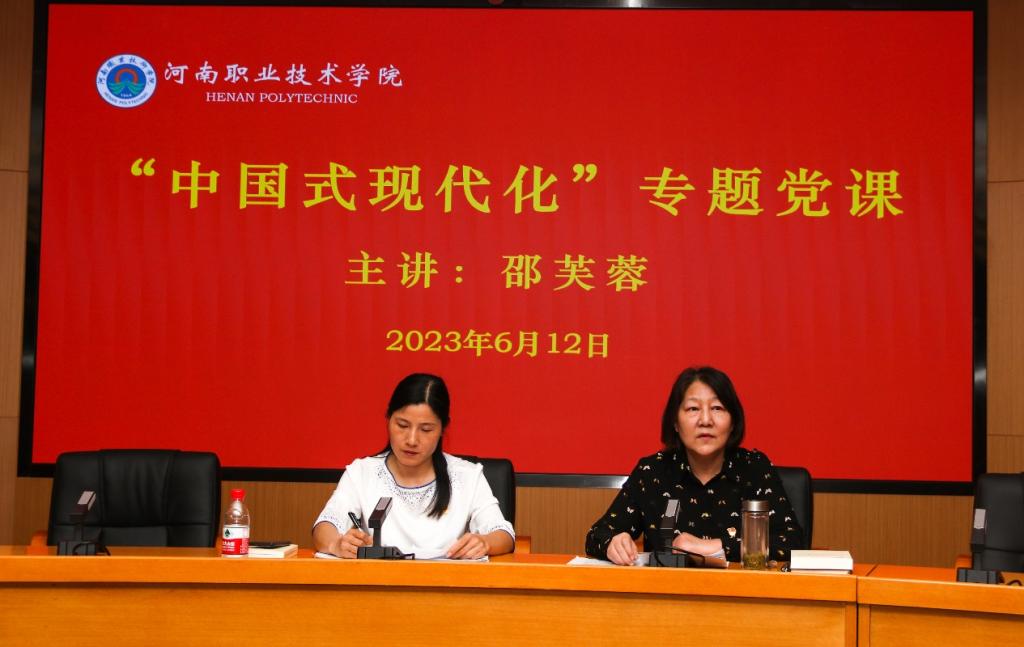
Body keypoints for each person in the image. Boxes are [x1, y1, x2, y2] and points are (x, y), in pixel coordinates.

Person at [585, 366, 804, 565]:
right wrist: (613, 543)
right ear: (675, 422)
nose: (705, 420)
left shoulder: (754, 468)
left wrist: (714, 547)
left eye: (717, 408)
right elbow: (597, 535)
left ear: (733, 422)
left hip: (741, 593)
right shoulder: (653, 471)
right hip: (669, 594)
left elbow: (793, 542)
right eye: (692, 409)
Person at [313, 373, 515, 559]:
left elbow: (503, 533)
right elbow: (326, 525)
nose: (411, 440)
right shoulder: (361, 473)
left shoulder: (467, 476)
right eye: (402, 425)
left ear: (443, 429)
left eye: (426, 429)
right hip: (378, 584)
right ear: (388, 419)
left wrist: (485, 542)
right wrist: (336, 544)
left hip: (447, 584)